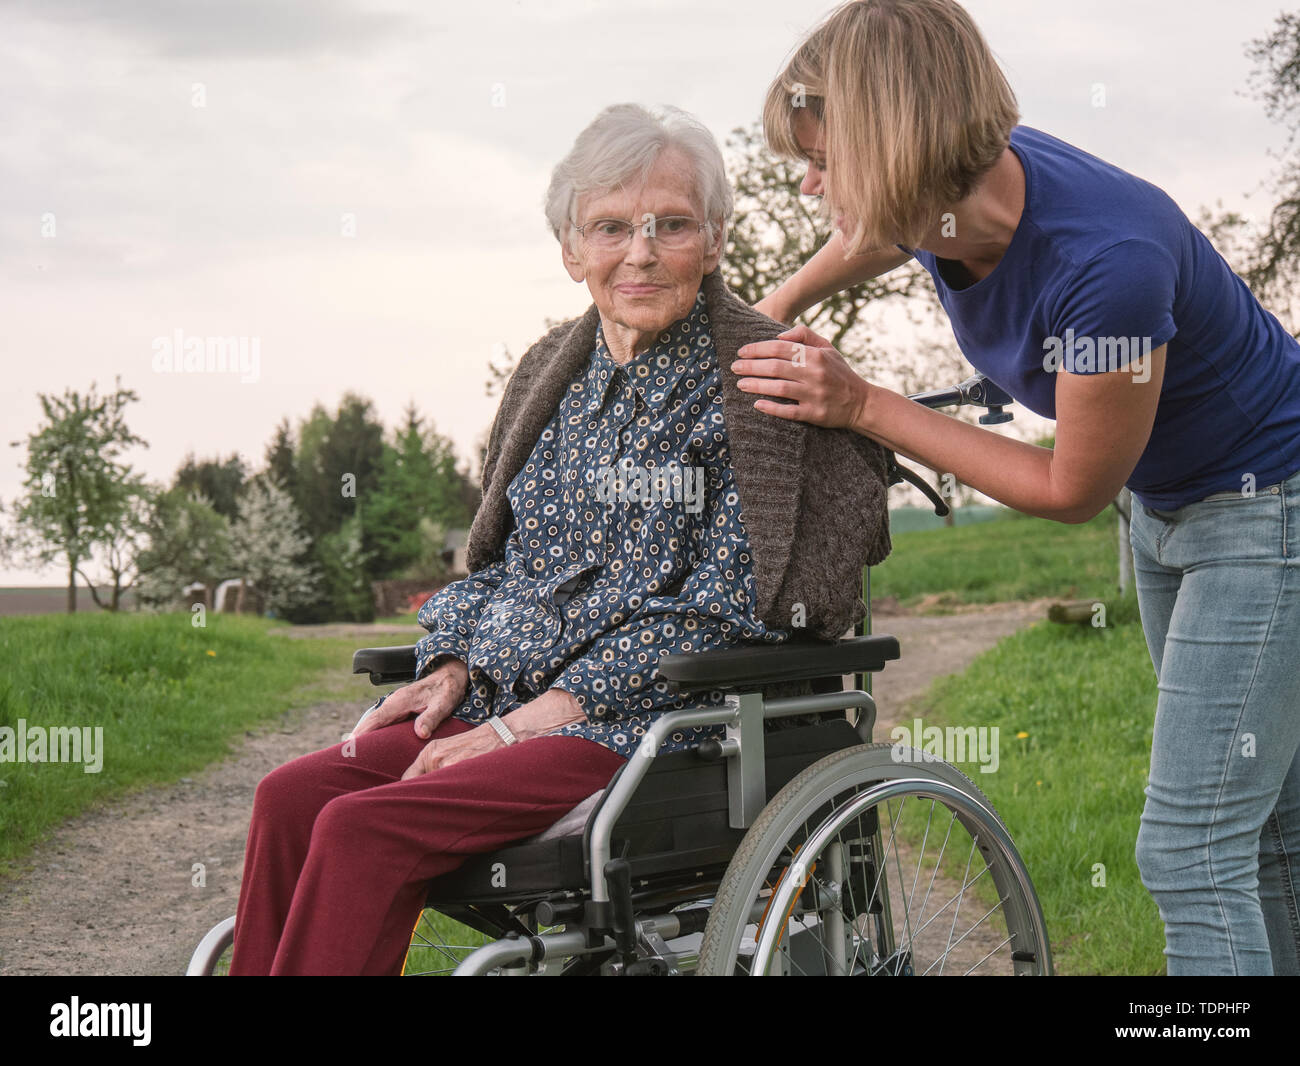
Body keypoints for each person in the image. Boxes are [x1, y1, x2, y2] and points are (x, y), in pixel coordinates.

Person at [227, 102, 892, 975]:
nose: (640, 253)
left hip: (648, 728)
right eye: (610, 228)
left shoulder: (761, 383)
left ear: (715, 240)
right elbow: (502, 567)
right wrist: (451, 660)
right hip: (506, 702)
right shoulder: (552, 375)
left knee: (360, 829)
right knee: (290, 797)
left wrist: (521, 729)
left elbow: (720, 612)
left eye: (671, 225)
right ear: (572, 251)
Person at [734, 0, 1300, 976]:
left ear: (898, 150)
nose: (810, 184)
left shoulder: (1108, 265)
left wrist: (863, 403)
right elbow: (886, 231)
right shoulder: (949, 198)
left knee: (1191, 850)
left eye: (825, 162)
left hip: (1265, 514)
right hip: (1168, 509)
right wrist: (770, 309)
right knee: (1267, 829)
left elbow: (1070, 486)